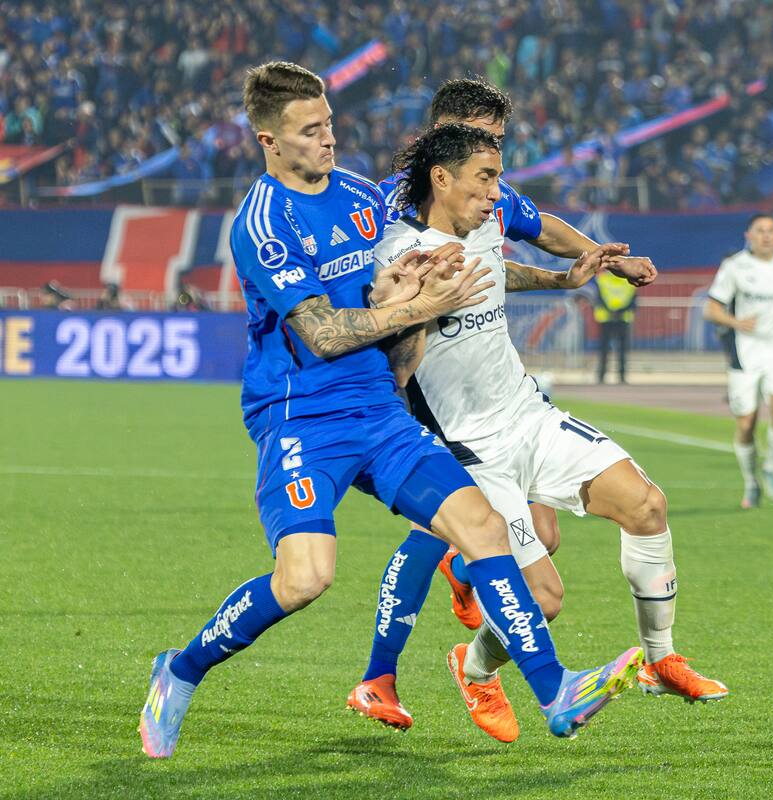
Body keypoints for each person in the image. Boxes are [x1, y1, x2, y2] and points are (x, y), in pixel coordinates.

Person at [137, 62, 642, 759]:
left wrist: (411, 283)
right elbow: (321, 334)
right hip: (301, 416)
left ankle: (556, 692)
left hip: (379, 405)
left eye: (331, 126)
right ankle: (180, 669)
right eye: (310, 132)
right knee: (306, 578)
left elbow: (413, 277)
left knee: (483, 527)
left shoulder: (356, 197)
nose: (328, 141)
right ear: (268, 141)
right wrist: (417, 307)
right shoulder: (263, 224)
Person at [365, 124, 727, 743]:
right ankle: (474, 668)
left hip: (529, 414)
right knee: (544, 599)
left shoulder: (482, 225)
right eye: (487, 176)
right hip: (472, 448)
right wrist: (421, 308)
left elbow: (513, 257)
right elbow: (393, 369)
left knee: (647, 505)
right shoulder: (397, 252)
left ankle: (659, 659)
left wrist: (576, 272)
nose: (497, 192)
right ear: (442, 176)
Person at [703, 213, 773, 508]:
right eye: (760, 231)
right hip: (746, 353)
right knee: (747, 423)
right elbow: (711, 309)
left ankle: (771, 466)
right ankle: (751, 483)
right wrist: (735, 322)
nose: (766, 236)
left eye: (771, 231)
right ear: (749, 235)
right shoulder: (735, 266)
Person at [594, 269, 636, 384]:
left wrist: (612, 311)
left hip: (614, 318)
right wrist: (620, 311)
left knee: (612, 350)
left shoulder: (603, 279)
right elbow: (633, 301)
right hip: (613, 319)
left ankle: (609, 376)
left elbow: (599, 299)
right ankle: (609, 376)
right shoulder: (628, 281)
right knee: (615, 350)